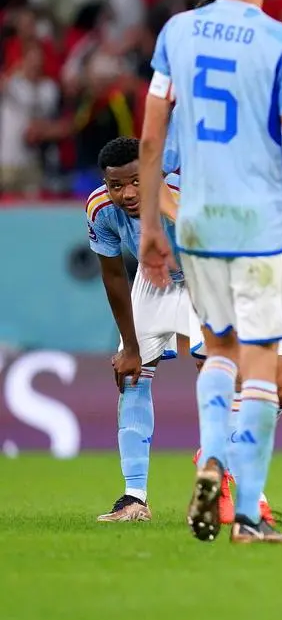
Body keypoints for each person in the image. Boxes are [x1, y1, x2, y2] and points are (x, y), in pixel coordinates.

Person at [138, 0, 282, 545]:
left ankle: (211, 454)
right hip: (261, 226)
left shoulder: (177, 32)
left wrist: (148, 225)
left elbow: (149, 136)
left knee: (216, 348)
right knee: (261, 363)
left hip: (196, 219)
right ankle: (246, 513)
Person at [89, 136, 196, 522]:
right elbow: (114, 277)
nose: (126, 193)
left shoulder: (186, 190)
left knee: (216, 371)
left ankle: (228, 489)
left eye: (136, 181)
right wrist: (130, 346)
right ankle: (134, 498)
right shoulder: (100, 209)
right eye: (116, 185)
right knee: (133, 375)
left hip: (205, 277)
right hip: (153, 278)